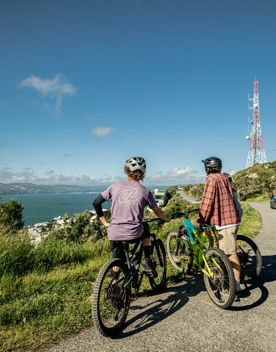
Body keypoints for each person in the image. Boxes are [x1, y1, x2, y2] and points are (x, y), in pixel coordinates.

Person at [92, 156, 170, 276]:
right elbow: (157, 211)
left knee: (118, 260)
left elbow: (96, 203)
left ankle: (113, 286)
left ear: (126, 170)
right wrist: (166, 218)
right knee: (145, 227)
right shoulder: (145, 191)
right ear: (143, 173)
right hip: (133, 233)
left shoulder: (115, 186)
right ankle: (147, 259)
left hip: (114, 232)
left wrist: (105, 222)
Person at [199, 157, 241, 293]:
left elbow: (207, 200)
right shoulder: (224, 177)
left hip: (226, 221)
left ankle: (235, 284)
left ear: (207, 168)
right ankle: (229, 278)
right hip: (231, 217)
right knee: (225, 249)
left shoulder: (211, 179)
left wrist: (201, 218)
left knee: (230, 253)